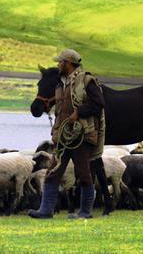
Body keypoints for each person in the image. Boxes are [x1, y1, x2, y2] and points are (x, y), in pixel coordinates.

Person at [29, 49, 105, 219]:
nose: (58, 65)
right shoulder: (60, 84)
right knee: (53, 171)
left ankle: (85, 212)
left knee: (84, 173)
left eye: (60, 62)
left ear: (68, 63)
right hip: (62, 137)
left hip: (81, 136)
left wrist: (79, 113)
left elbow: (99, 103)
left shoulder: (86, 81)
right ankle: (46, 210)